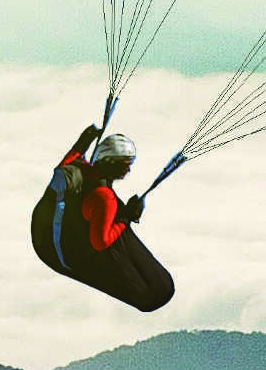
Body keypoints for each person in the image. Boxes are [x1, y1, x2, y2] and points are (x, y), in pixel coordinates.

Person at [29, 121, 176, 312]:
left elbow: (69, 159)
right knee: (158, 292)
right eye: (126, 165)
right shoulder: (104, 198)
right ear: (111, 164)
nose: (129, 170)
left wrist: (86, 138)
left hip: (44, 236)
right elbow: (100, 242)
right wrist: (126, 218)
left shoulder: (80, 168)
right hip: (62, 254)